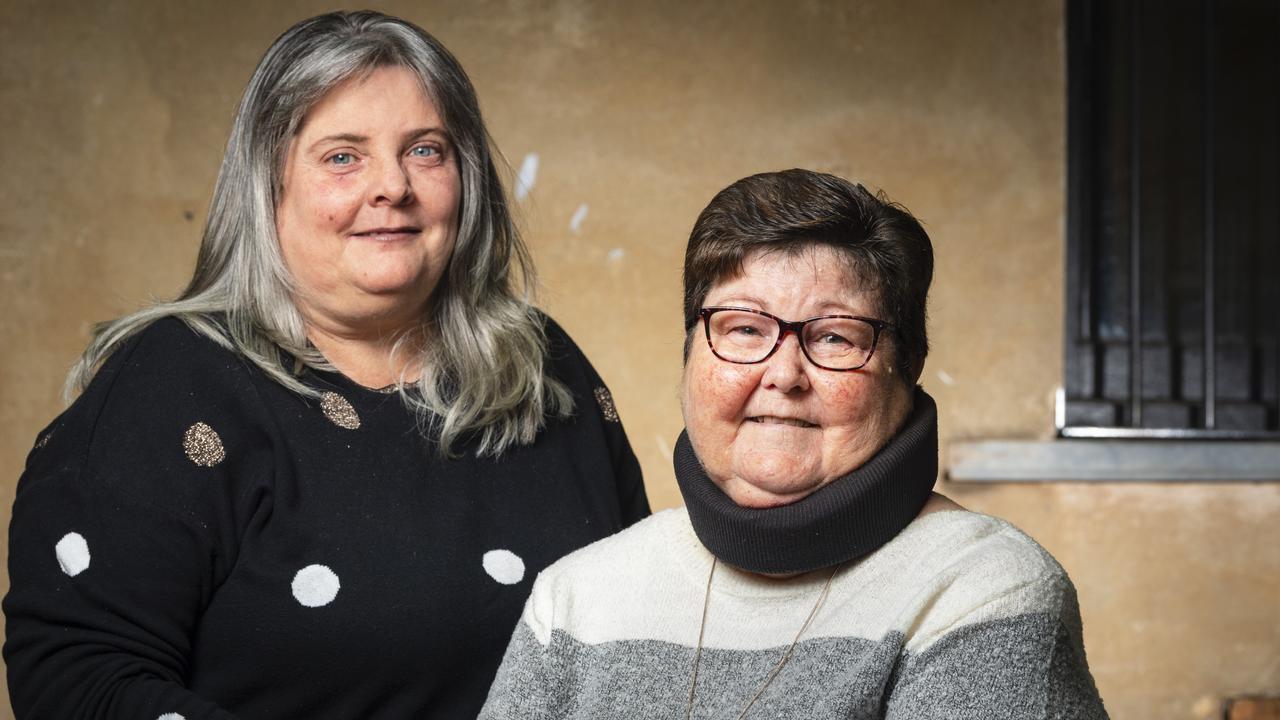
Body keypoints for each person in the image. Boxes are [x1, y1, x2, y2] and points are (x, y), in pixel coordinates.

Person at [4, 11, 648, 719]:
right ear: (267, 185)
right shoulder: (169, 389)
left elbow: (643, 633)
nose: (392, 187)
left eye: (426, 151)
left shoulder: (543, 365)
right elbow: (78, 678)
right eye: (343, 156)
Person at [479, 170, 1108, 719]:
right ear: (689, 356)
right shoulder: (577, 599)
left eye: (835, 337)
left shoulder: (983, 589)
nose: (783, 374)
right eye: (744, 329)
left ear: (906, 364)